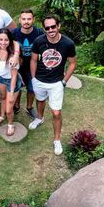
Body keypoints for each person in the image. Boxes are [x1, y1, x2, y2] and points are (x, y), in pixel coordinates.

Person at [28, 14, 77, 156]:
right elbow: (33, 60)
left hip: (56, 82)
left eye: (53, 26)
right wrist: (33, 78)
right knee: (40, 100)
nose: (50, 30)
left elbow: (73, 63)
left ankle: (57, 140)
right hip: (39, 80)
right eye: (47, 27)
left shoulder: (68, 43)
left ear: (58, 26)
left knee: (56, 112)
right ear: (44, 29)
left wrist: (64, 81)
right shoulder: (39, 41)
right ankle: (39, 118)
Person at [11, 9, 44, 118]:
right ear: (20, 20)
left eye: (29, 19)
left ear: (33, 19)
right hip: (18, 66)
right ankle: (16, 106)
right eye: (24, 19)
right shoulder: (14, 33)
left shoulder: (39, 33)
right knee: (17, 87)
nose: (26, 21)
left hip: (32, 66)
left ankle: (29, 107)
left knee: (32, 88)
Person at [0, 28, 22, 136]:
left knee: (9, 108)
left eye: (6, 40)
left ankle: (10, 124)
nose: (3, 42)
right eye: (1, 39)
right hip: (1, 79)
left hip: (12, 82)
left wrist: (12, 92)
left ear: (10, 41)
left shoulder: (13, 56)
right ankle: (1, 116)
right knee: (3, 99)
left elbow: (14, 76)